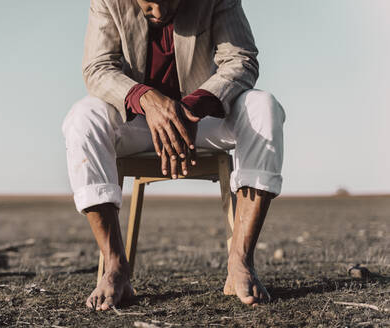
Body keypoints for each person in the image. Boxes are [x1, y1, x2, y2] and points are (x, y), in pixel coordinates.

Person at [62, 0, 285, 310]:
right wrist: (147, 100)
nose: (156, 12)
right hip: (135, 121)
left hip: (201, 116)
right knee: (81, 119)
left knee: (265, 108)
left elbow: (241, 59)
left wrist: (194, 106)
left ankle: (241, 262)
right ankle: (114, 267)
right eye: (147, 4)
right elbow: (97, 68)